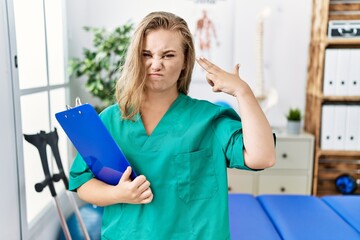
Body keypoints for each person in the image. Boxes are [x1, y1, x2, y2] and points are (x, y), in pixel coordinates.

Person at [69, 11, 276, 240]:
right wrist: (118, 194)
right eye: (146, 54)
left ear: (185, 61)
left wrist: (242, 92)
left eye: (168, 55)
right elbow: (83, 183)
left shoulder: (208, 119)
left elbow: (262, 157)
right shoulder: (110, 120)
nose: (155, 64)